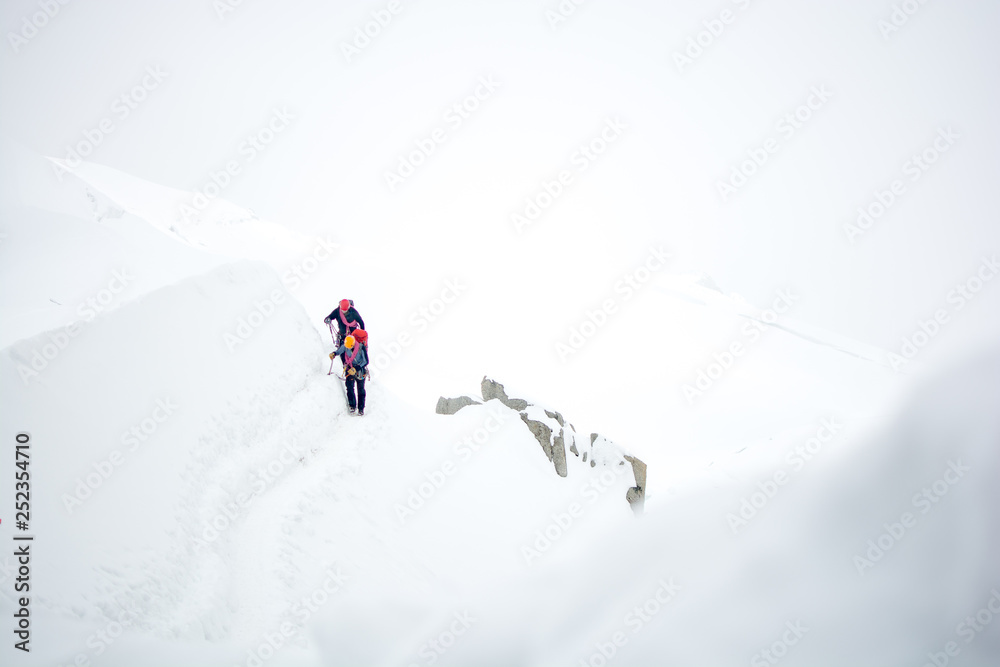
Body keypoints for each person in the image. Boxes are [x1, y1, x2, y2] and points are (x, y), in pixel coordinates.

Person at [331, 331, 369, 415]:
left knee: (361, 389)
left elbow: (366, 361)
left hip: (360, 370)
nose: (348, 348)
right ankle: (352, 406)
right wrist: (334, 354)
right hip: (349, 369)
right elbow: (339, 351)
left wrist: (356, 368)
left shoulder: (361, 347)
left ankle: (361, 408)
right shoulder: (346, 345)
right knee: (349, 387)